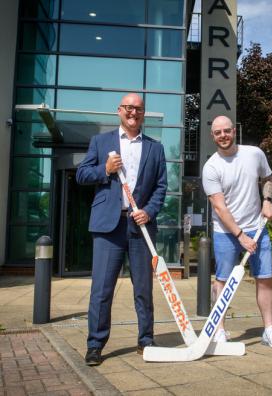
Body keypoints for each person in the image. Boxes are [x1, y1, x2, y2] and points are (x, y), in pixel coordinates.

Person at [76, 93, 167, 365]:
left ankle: (146, 340)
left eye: (138, 109)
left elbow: (161, 186)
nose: (133, 113)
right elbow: (82, 175)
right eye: (129, 107)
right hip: (108, 226)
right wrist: (104, 169)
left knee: (143, 289)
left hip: (140, 227)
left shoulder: (156, 147)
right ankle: (95, 345)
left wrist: (148, 211)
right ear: (119, 111)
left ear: (143, 113)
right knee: (102, 290)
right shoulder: (100, 142)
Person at [202, 115, 272, 348]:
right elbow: (219, 207)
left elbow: (267, 178)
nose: (223, 136)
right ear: (213, 136)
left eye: (226, 131)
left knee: (265, 279)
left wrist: (267, 200)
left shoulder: (254, 154)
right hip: (226, 233)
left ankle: (269, 330)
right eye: (218, 133)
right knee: (222, 282)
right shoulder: (211, 168)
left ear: (234, 131)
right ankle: (219, 330)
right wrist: (241, 236)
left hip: (257, 227)